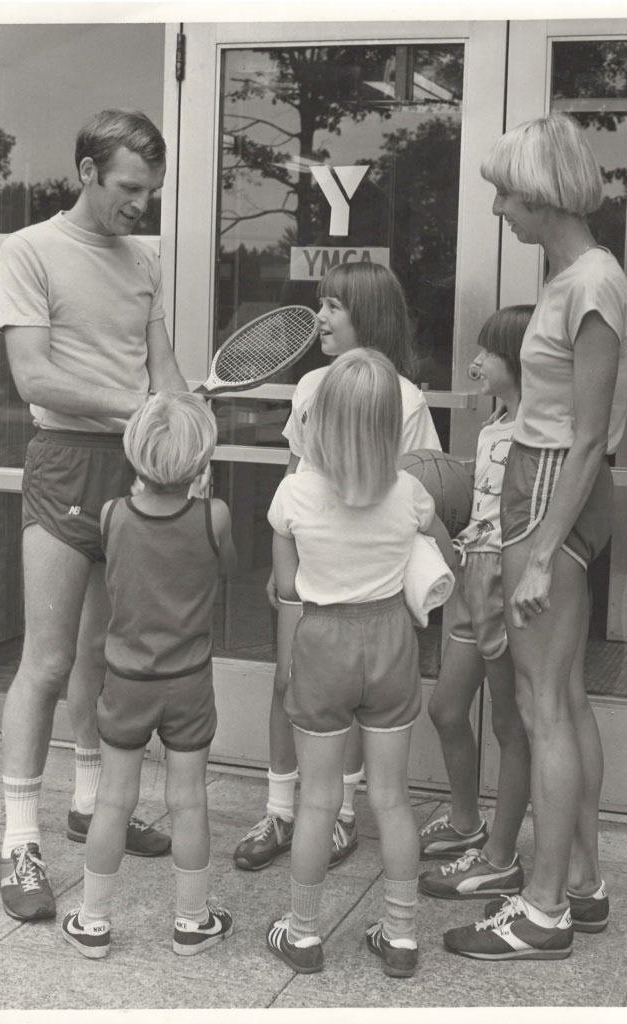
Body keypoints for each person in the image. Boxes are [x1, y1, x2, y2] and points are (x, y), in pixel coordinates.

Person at [443, 112, 627, 960]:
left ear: (542, 193)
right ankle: (582, 885)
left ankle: (545, 911)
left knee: (541, 707)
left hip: (554, 491)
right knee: (563, 701)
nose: (497, 210)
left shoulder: (592, 281)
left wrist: (537, 556)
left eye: (504, 193)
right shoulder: (569, 279)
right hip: (539, 485)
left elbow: (589, 436)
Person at [0, 109, 188, 921]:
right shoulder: (29, 250)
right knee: (45, 659)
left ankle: (85, 803)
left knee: (102, 658)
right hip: (66, 463)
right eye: (129, 188)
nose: (142, 204)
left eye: (152, 190)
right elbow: (34, 379)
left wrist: (179, 421)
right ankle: (18, 842)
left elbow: (162, 361)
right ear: (86, 173)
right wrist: (139, 407)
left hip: (137, 469)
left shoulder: (145, 256)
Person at [234, 262, 442, 873]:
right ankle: (279, 809)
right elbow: (298, 476)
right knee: (288, 681)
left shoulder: (406, 398)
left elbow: (417, 487)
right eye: (319, 303)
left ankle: (340, 816)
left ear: (369, 316)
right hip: (309, 570)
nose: (318, 318)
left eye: (333, 306)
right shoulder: (308, 386)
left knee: (349, 698)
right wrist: (284, 558)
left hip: (363, 591)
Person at [263, 348, 455, 977]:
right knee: (393, 800)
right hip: (392, 642)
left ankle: (304, 933)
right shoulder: (410, 492)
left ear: (319, 420)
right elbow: (441, 556)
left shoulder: (293, 494)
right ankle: (400, 938)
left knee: (318, 800)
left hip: (323, 644)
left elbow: (287, 586)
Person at [61, 391, 237, 959]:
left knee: (112, 800)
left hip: (126, 681)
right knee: (188, 800)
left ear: (135, 457)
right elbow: (227, 566)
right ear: (201, 463)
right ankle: (192, 921)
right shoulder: (215, 516)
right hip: (188, 682)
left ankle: (92, 922)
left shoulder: (112, 515)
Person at [418, 306, 533, 899]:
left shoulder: (535, 429)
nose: (477, 360)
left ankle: (501, 856)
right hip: (470, 573)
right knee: (444, 708)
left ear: (519, 360)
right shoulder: (496, 421)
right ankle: (467, 821)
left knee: (511, 725)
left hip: (504, 578)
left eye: (488, 352)